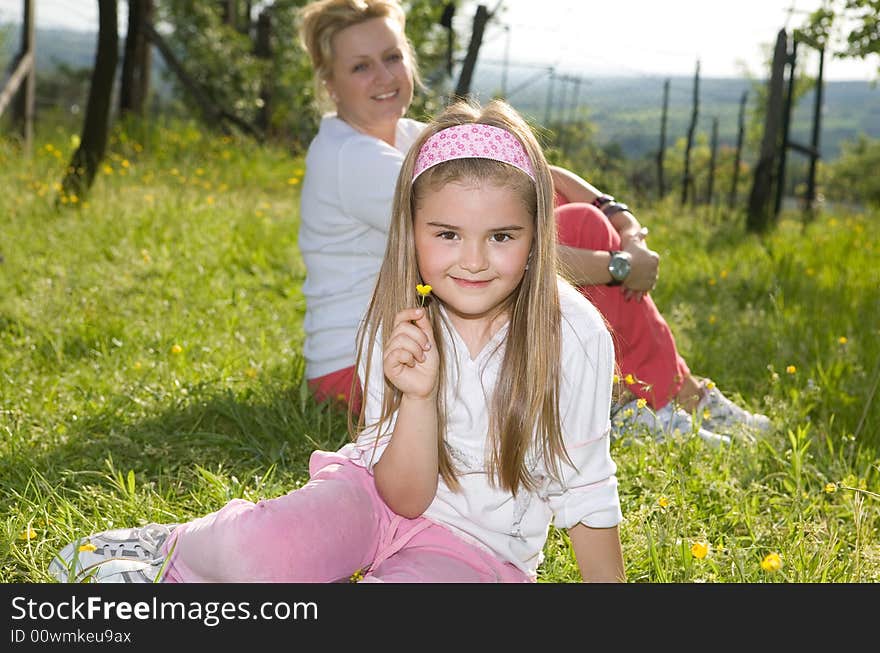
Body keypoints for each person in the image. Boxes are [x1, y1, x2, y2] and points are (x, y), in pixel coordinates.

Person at [50, 98, 625, 584]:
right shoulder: (400, 317)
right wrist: (418, 398)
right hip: (375, 494)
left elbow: (587, 495)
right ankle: (174, 554)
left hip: (478, 550)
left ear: (536, 236)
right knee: (256, 553)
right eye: (447, 234)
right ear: (412, 229)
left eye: (501, 235)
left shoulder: (572, 333)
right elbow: (400, 496)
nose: (472, 261)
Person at [295, 0, 769, 445]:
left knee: (579, 220)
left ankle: (657, 396)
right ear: (330, 84)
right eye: (361, 66)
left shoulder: (408, 135)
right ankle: (653, 398)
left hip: (413, 335)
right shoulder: (352, 159)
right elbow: (492, 252)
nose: (384, 76)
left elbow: (540, 176)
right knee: (567, 235)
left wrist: (623, 222)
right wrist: (620, 267)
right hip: (368, 366)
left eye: (392, 57)